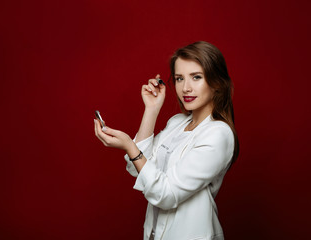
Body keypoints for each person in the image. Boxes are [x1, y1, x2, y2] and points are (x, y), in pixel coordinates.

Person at [94, 41, 239, 240]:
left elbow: (166, 194)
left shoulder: (218, 134)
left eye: (196, 77)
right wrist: (151, 110)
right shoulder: (177, 123)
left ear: (216, 82)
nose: (186, 88)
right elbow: (138, 168)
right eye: (179, 79)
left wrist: (129, 145)